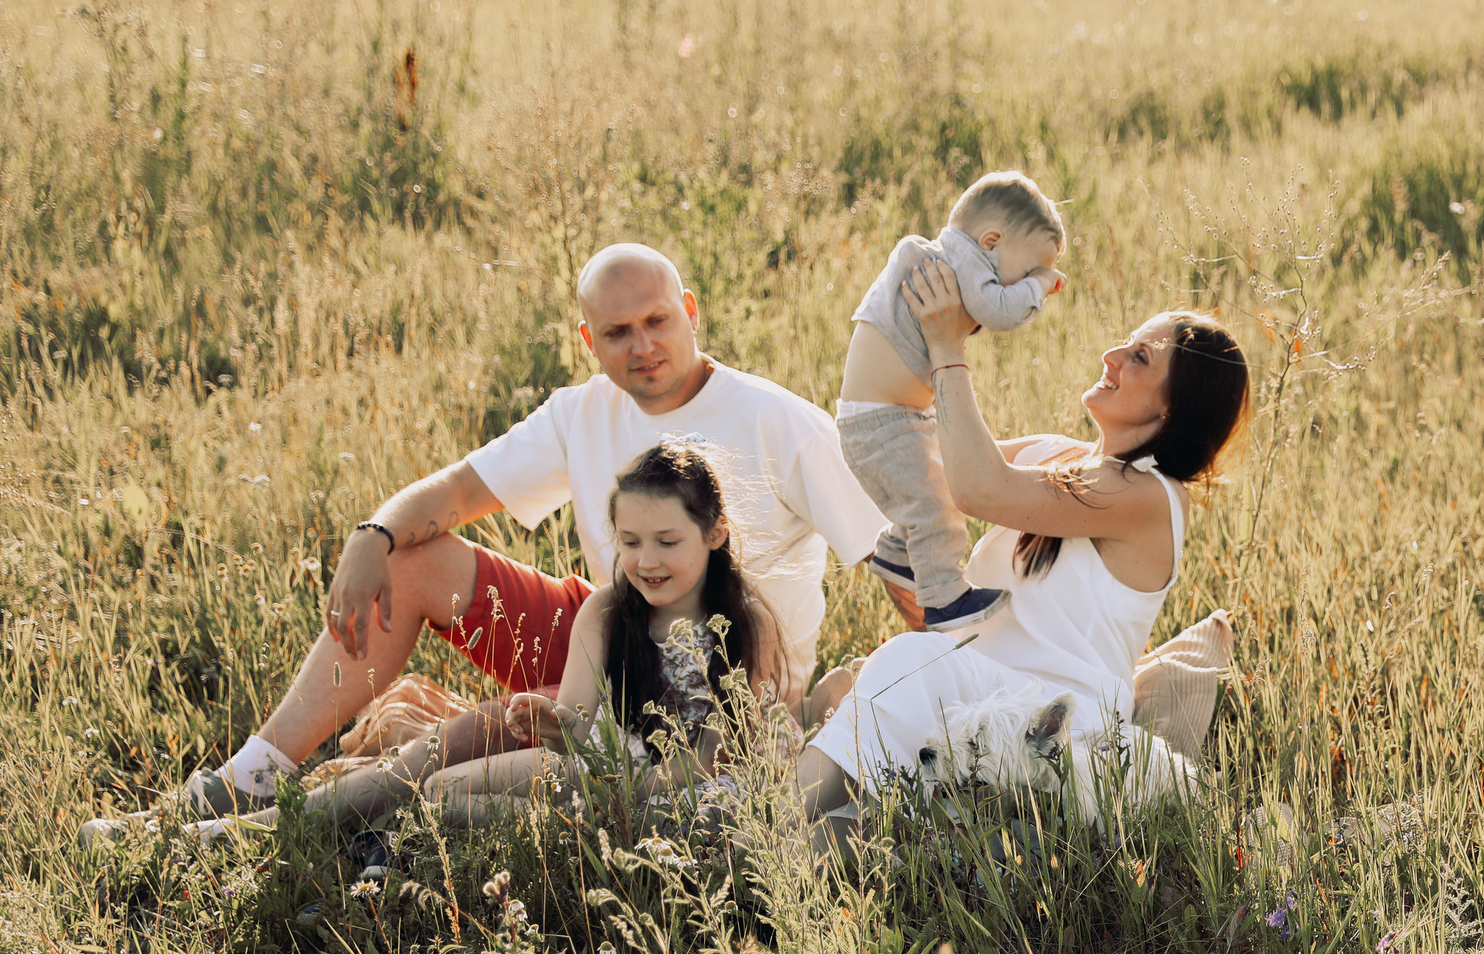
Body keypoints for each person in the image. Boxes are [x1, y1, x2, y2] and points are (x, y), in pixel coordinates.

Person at [141, 243, 888, 825]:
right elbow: (460, 491)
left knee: (474, 746)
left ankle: (355, 817)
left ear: (691, 310)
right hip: (614, 635)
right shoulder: (583, 411)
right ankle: (253, 775)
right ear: (588, 338)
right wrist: (372, 535)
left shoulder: (779, 421)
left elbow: (893, 560)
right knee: (409, 559)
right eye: (618, 331)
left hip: (730, 680)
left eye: (658, 320)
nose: (643, 345)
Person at [166, 440, 787, 868]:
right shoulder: (606, 612)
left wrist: (623, 790)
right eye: (630, 541)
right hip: (602, 768)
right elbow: (574, 722)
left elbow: (713, 760)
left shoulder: (745, 623)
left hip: (688, 800)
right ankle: (243, 833)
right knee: (440, 789)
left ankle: (423, 849)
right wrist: (550, 725)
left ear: (714, 533)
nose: (647, 560)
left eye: (667, 541)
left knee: (481, 801)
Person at [795, 258, 1248, 820]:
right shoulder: (1058, 458)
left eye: (1139, 358)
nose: (1112, 357)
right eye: (1126, 344)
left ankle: (772, 830)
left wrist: (947, 347)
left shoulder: (1153, 499)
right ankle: (772, 844)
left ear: (1173, 404)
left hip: (1055, 720)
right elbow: (926, 460)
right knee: (870, 737)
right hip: (976, 689)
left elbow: (980, 487)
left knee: (906, 664)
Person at [837, 171, 1066, 632]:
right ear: (991, 241)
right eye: (1024, 270)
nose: (1022, 282)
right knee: (937, 515)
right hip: (884, 423)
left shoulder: (948, 260)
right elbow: (997, 310)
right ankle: (945, 600)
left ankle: (900, 554)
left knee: (934, 495)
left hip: (893, 418)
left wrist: (1028, 273)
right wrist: (1042, 286)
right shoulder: (960, 261)